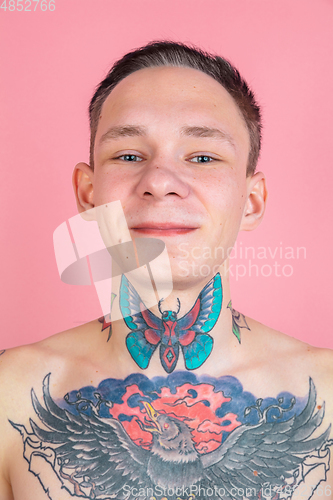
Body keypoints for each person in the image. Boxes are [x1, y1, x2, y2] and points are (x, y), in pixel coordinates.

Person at [0, 41, 332, 500]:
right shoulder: (10, 395)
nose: (158, 181)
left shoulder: (327, 394)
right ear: (87, 193)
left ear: (251, 202)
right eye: (129, 155)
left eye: (201, 157)